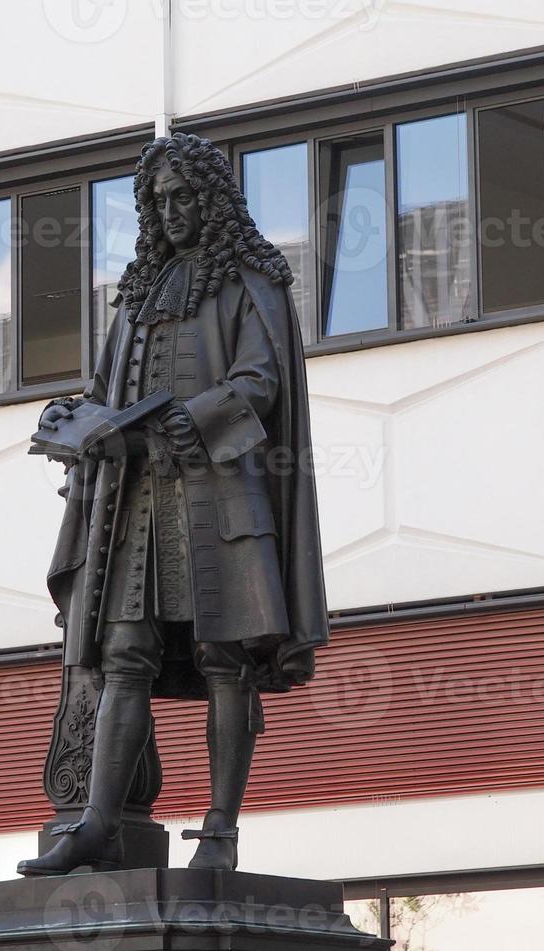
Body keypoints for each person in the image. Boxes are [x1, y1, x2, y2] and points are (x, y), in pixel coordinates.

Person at [18, 132, 328, 876]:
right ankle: (98, 823)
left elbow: (261, 380)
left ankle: (220, 833)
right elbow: (102, 393)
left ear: (212, 199)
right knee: (123, 655)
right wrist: (75, 424)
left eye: (184, 196)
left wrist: (200, 416)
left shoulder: (252, 281)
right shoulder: (135, 294)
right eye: (159, 201)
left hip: (219, 494)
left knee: (226, 660)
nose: (172, 209)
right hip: (136, 503)